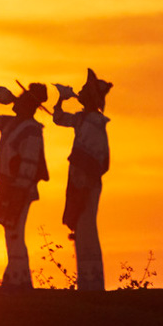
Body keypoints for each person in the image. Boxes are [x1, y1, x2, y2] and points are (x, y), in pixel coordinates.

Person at [0, 81, 49, 289]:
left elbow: (29, 162)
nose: (16, 101)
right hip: (8, 185)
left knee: (15, 231)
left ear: (29, 105)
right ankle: (18, 278)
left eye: (21, 99)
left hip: (20, 188)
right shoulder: (9, 123)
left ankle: (18, 279)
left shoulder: (32, 130)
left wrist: (20, 189)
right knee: (10, 232)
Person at [53, 68, 113, 291]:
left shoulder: (95, 122)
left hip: (87, 181)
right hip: (78, 178)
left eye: (84, 91)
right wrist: (60, 99)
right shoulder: (82, 119)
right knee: (81, 226)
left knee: (87, 226)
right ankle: (86, 280)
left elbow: (98, 158)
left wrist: (85, 179)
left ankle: (92, 281)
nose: (80, 92)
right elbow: (59, 119)